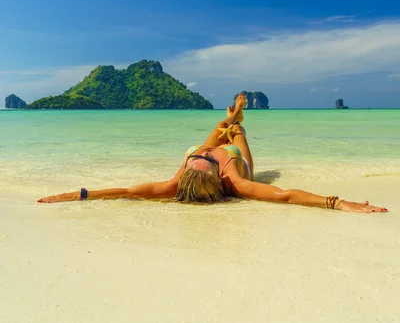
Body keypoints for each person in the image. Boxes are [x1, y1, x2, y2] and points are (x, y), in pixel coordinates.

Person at [38, 94, 388, 213]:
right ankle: (238, 121)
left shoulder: (180, 177)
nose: (205, 153)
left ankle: (231, 115)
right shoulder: (236, 180)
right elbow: (284, 196)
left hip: (212, 163)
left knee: (219, 127)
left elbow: (126, 191)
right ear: (217, 175)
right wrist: (339, 203)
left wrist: (79, 194)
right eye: (206, 157)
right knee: (235, 133)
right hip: (242, 159)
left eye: (197, 157)